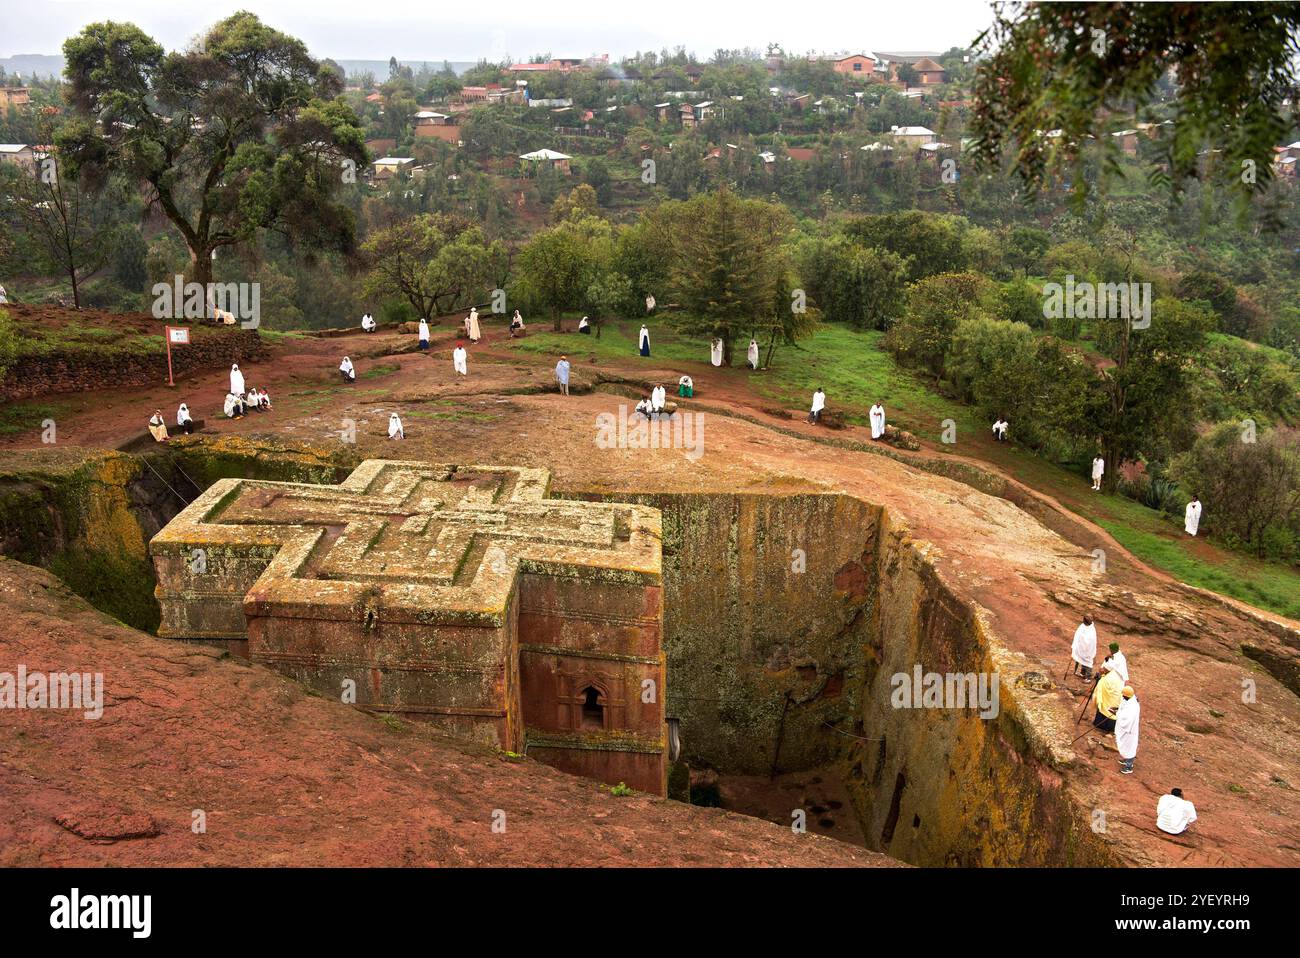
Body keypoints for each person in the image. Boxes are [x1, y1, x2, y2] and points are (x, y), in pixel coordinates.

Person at [1091, 661, 1124, 732]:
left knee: (1106, 709)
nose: (1103, 670)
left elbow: (1102, 687)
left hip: (1109, 699)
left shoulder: (1110, 677)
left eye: (1104, 669)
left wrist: (1100, 679)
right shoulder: (1118, 675)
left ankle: (1101, 727)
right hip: (1114, 700)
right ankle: (1108, 728)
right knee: (1110, 711)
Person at [1115, 686, 1140, 774]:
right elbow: (1123, 709)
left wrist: (1117, 714)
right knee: (1126, 745)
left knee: (1130, 747)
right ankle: (1126, 760)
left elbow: (1127, 719)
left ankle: (1129, 766)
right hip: (1126, 730)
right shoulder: (1129, 700)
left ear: (1128, 696)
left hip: (1130, 730)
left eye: (1124, 695)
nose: (1122, 697)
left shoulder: (1133, 707)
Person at [1070, 615, 1097, 680]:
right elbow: (1077, 636)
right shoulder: (1082, 626)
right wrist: (1076, 645)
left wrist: (1082, 641)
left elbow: (1090, 641)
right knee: (1081, 659)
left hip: (1088, 649)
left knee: (1088, 661)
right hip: (1080, 648)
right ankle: (1083, 673)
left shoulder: (1091, 629)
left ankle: (1088, 677)